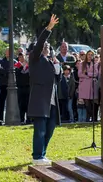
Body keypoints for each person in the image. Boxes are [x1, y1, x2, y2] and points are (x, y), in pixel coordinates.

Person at [29, 14, 61, 166]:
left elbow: (57, 79)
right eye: (45, 46)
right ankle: (37, 156)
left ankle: (43, 154)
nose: (47, 47)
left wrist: (58, 68)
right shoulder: (35, 58)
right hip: (40, 100)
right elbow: (40, 43)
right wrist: (48, 28)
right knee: (40, 130)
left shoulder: (50, 61)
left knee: (50, 129)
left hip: (52, 101)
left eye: (49, 46)